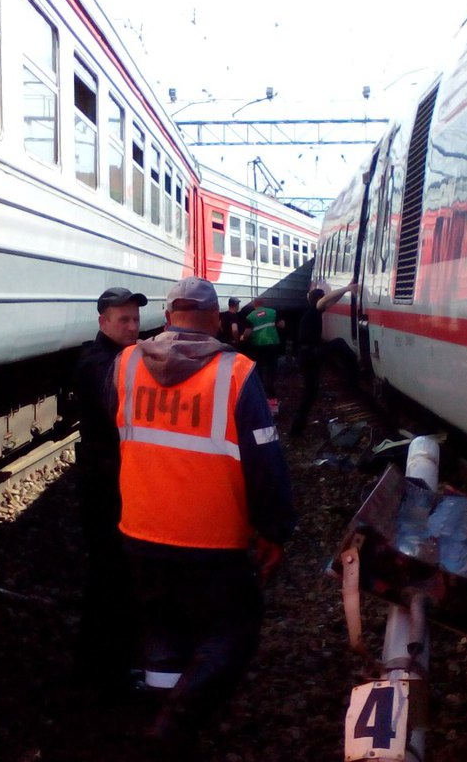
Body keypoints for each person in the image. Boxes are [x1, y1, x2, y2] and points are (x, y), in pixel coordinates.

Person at [112, 276, 295, 757]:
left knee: (162, 625)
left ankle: (165, 708)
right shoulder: (236, 373)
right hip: (212, 541)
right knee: (231, 629)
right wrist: (275, 530)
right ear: (217, 321)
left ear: (168, 317)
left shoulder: (127, 364)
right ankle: (175, 724)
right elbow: (264, 459)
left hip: (141, 531)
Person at [71, 286, 147, 695]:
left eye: (135, 319)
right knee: (111, 578)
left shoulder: (116, 356)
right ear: (103, 322)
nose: (133, 327)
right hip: (105, 487)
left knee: (115, 577)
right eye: (124, 320)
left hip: (113, 480)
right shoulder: (98, 362)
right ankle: (105, 675)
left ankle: (106, 668)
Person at [290, 283, 359, 436]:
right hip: (310, 354)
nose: (326, 302)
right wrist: (347, 289)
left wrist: (346, 288)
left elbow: (331, 301)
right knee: (339, 344)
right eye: (322, 299)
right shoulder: (313, 310)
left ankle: (296, 429)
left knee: (311, 392)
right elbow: (326, 300)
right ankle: (354, 376)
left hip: (307, 356)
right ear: (318, 299)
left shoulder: (314, 312)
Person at [241, 296, 283, 398]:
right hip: (272, 343)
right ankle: (270, 388)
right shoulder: (272, 312)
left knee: (259, 367)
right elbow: (282, 325)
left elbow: (247, 332)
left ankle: (261, 389)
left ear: (254, 304)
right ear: (263, 303)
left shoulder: (250, 316)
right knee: (272, 366)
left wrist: (243, 337)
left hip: (258, 345)